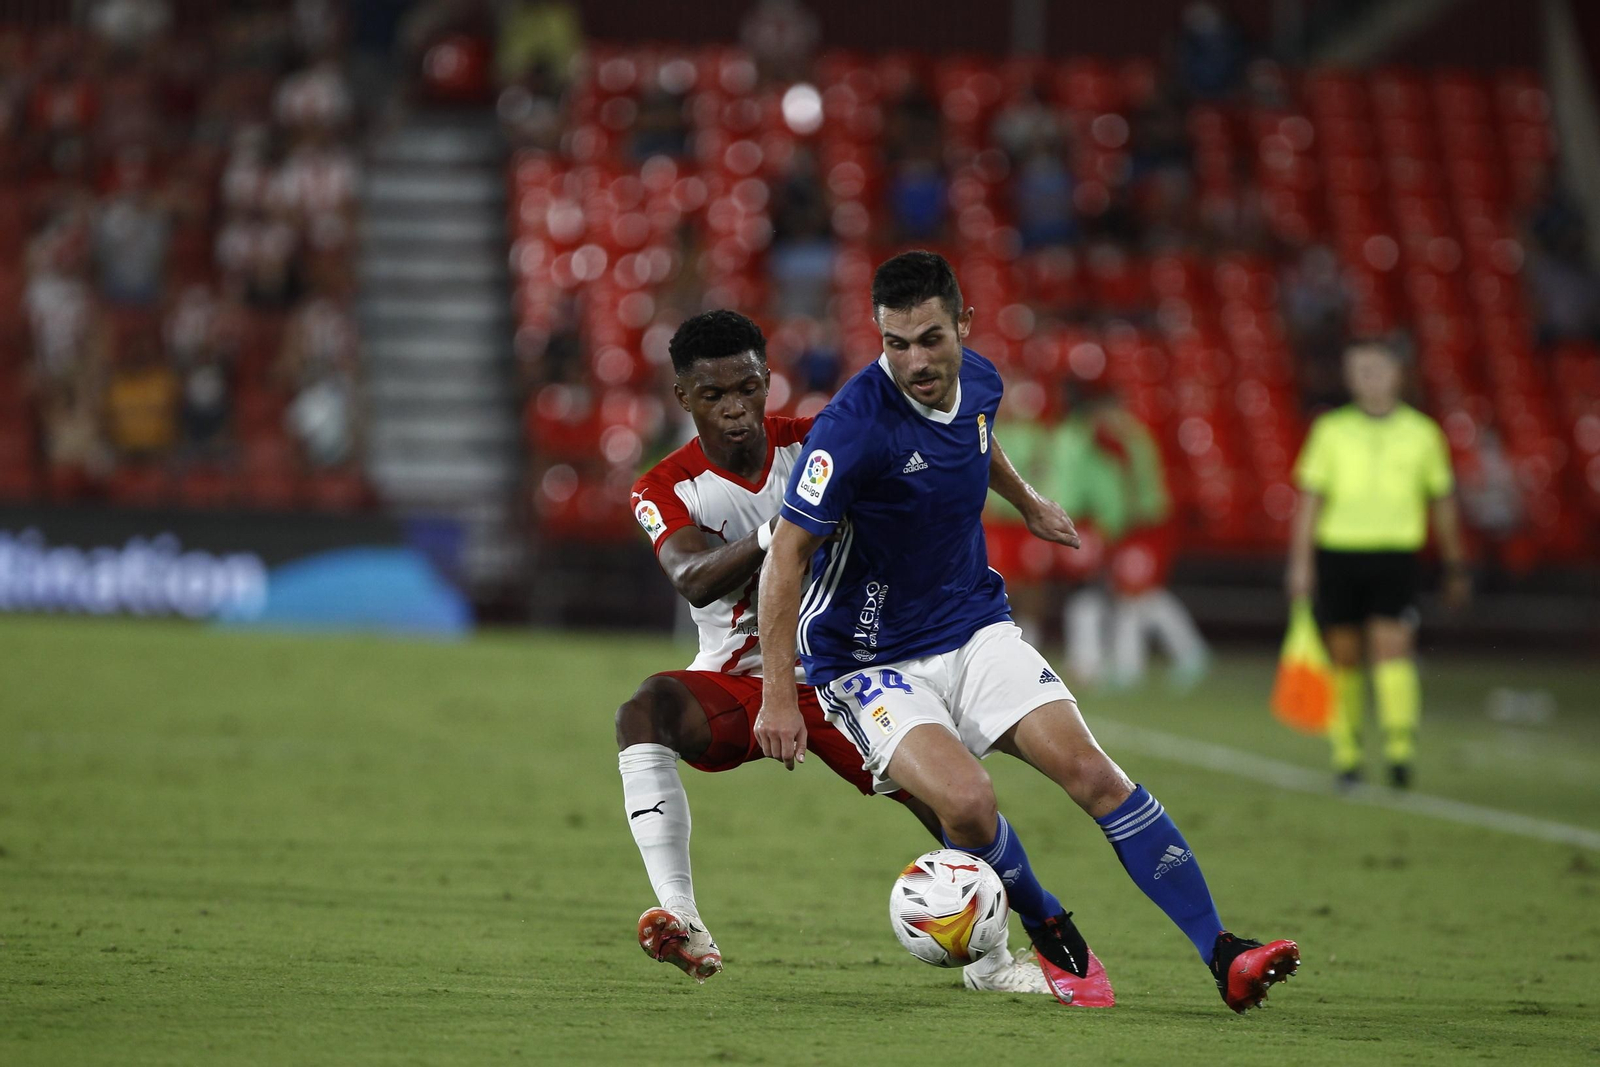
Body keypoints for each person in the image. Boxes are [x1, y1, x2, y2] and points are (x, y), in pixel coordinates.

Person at [757, 251, 1298, 1013]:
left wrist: (1027, 500)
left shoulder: (981, 380)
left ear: (964, 326)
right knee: (970, 804)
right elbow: (785, 554)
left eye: (931, 339)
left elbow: (978, 436)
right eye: (896, 343)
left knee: (1096, 775)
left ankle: (1224, 952)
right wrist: (778, 692)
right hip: (867, 659)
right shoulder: (850, 429)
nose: (915, 360)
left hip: (972, 625)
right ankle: (1050, 926)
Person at [619, 309, 1051, 995]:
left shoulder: (821, 440)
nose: (736, 409)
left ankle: (996, 961)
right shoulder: (661, 486)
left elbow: (955, 434)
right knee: (644, 710)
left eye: (748, 388)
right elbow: (689, 575)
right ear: (683, 398)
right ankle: (683, 914)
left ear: (769, 380)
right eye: (713, 395)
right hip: (740, 682)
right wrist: (779, 532)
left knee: (949, 802)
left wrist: (1024, 498)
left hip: (839, 673)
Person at [1287, 340, 1469, 788]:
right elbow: (1309, 501)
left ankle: (1399, 752)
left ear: (1397, 374)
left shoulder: (1423, 433)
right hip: (1339, 553)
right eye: (1359, 370)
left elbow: (1442, 502)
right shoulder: (1330, 430)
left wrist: (1455, 563)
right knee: (1344, 656)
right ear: (1349, 378)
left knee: (1393, 648)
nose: (1368, 377)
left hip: (1395, 555)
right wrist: (1300, 564)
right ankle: (1347, 756)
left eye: (1376, 368)